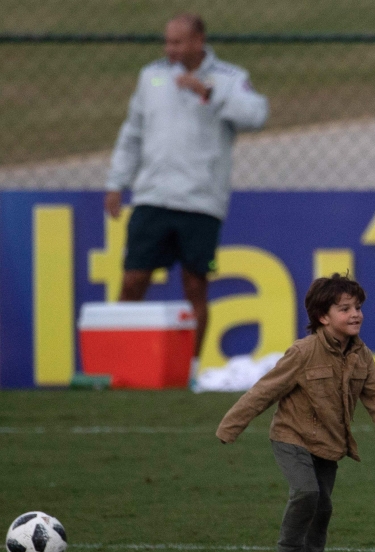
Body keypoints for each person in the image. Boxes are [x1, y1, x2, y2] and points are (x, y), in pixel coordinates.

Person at [104, 13, 269, 385]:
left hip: (200, 202)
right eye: (167, 42)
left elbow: (257, 114)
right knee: (133, 279)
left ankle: (187, 371)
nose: (170, 49)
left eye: (177, 42)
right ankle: (120, 367)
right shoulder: (151, 77)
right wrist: (117, 182)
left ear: (198, 41)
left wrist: (208, 93)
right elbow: (132, 132)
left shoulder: (228, 77)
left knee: (195, 285)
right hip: (152, 197)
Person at [215, 274, 375, 552]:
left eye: (357, 307)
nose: (355, 314)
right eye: (345, 308)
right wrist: (230, 427)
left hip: (329, 444)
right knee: (306, 492)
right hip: (292, 437)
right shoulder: (303, 352)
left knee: (323, 504)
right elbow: (265, 390)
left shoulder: (362, 356)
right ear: (323, 316)